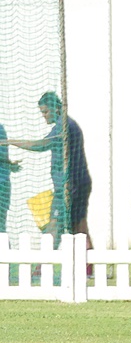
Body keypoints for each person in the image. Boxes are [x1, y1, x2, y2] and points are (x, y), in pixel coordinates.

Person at [1, 92, 91, 241]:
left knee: (55, 225)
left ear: (56, 108)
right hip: (75, 183)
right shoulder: (64, 124)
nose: (44, 116)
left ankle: (42, 264)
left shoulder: (64, 126)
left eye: (45, 112)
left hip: (71, 185)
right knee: (79, 228)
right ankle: (87, 265)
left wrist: (9, 141)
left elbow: (41, 145)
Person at [0, 122, 21, 233]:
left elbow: (2, 154)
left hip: (2, 182)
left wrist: (9, 163)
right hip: (3, 182)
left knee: (1, 222)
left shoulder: (0, 129)